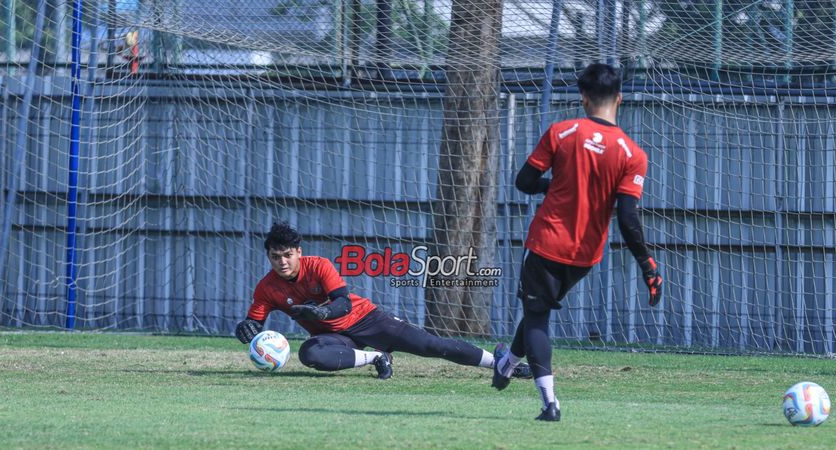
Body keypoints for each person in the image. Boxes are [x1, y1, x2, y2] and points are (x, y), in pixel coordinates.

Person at [492, 63, 663, 421]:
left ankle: (549, 403)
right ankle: (507, 364)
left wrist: (549, 185)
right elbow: (629, 219)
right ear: (619, 98)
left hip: (546, 244)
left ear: (583, 99)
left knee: (537, 319)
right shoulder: (633, 154)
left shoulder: (562, 132)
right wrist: (648, 266)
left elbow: (524, 181)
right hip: (585, 256)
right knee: (536, 309)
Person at [235, 221, 532, 381]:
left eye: (288, 255)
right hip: (334, 338)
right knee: (310, 355)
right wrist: (245, 330)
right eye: (276, 257)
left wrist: (319, 311)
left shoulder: (319, 265)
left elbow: (343, 304)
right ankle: (377, 358)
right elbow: (254, 322)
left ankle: (503, 363)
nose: (282, 262)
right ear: (269, 256)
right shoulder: (266, 287)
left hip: (367, 319)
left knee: (432, 345)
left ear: (299, 252)